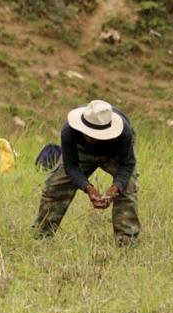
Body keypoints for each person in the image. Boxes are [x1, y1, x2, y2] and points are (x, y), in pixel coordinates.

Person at [33, 100, 140, 246]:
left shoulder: (124, 132)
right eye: (88, 133)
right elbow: (70, 166)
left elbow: (127, 164)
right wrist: (88, 188)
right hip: (81, 151)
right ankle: (42, 236)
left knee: (127, 187)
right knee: (55, 186)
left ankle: (126, 242)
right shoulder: (69, 130)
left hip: (113, 152)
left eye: (97, 134)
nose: (91, 138)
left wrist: (115, 189)